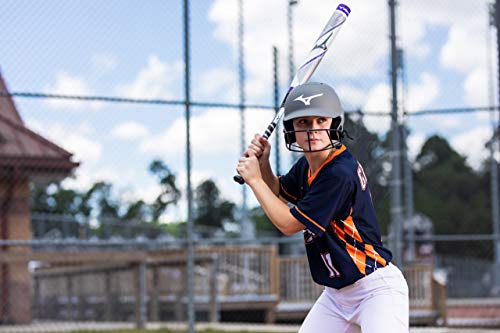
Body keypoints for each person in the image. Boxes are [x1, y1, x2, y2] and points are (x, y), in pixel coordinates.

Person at [236, 82, 409, 333]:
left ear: (334, 124)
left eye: (321, 120)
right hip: (336, 297)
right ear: (291, 130)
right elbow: (278, 191)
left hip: (375, 289)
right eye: (303, 122)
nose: (313, 130)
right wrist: (263, 166)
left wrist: (253, 181)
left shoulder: (338, 172)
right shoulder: (308, 165)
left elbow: (287, 223)